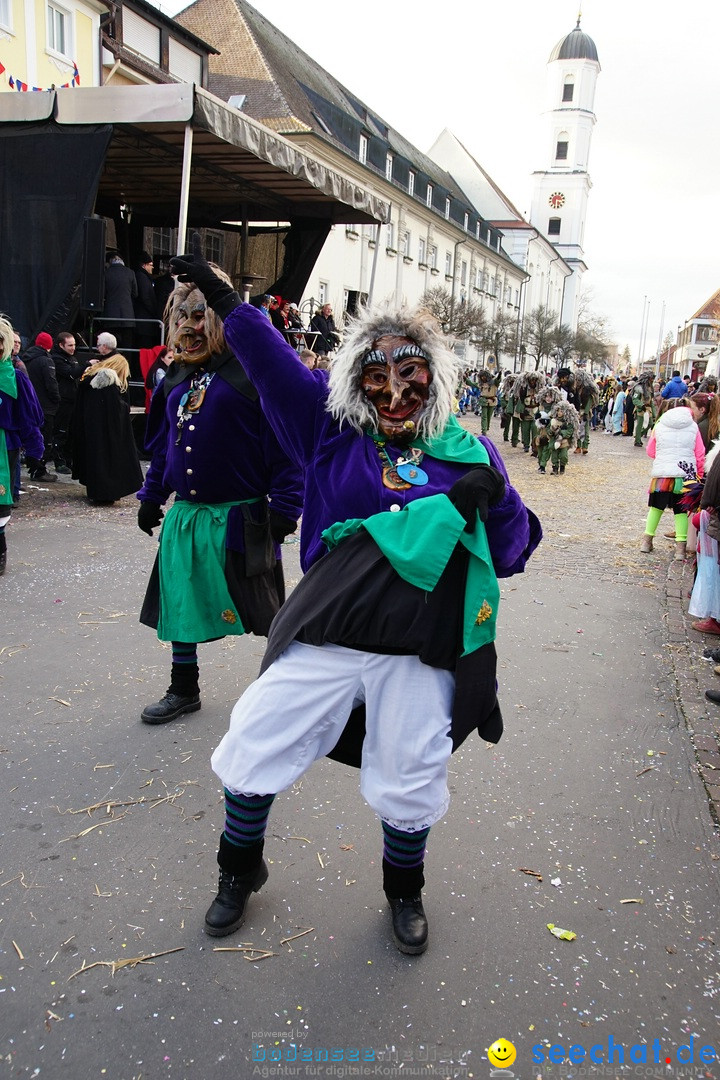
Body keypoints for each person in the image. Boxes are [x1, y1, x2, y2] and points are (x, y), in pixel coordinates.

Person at [168, 238, 541, 954]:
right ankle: (238, 870)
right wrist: (227, 304)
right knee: (253, 743)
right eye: (378, 373)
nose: (396, 389)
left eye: (412, 372)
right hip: (331, 632)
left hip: (419, 645)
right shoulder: (329, 433)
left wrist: (493, 502)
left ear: (436, 377)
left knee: (410, 776)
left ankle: (404, 892)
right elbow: (274, 369)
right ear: (354, 378)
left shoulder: (468, 451)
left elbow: (513, 552)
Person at [135, 258, 303, 726]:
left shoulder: (250, 375)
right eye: (181, 317)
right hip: (187, 517)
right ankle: (183, 689)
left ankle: (288, 690)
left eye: (198, 316)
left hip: (241, 518)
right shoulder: (175, 379)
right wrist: (152, 495)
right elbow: (165, 447)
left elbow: (286, 450)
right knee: (182, 605)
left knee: (266, 612)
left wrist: (286, 507)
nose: (188, 327)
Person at [0, 316, 45, 573]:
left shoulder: (15, 377)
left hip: (5, 445)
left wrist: (35, 448)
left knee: (0, 498)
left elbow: (30, 416)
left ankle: (0, 549)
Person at [72, 352, 143, 506]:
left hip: (92, 430)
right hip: (106, 432)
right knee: (106, 462)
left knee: (97, 461)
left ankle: (98, 492)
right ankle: (105, 493)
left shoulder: (91, 378)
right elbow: (116, 409)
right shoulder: (109, 383)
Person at [640, 400, 705, 560]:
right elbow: (700, 454)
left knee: (656, 508)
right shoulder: (693, 426)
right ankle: (680, 550)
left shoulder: (660, 425)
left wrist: (663, 458)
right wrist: (700, 474)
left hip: (662, 474)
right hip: (685, 475)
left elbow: (650, 450)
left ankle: (646, 542)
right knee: (681, 512)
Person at [22, 332, 59, 482]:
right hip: (45, 406)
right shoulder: (46, 361)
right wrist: (56, 399)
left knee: (32, 438)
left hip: (30, 404)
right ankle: (39, 470)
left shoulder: (25, 359)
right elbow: (51, 384)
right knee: (44, 440)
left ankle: (34, 467)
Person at [50, 332, 82, 473]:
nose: (73, 348)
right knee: (61, 431)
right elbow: (71, 373)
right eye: (70, 345)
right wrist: (87, 365)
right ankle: (59, 461)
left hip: (72, 400)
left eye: (74, 345)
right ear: (61, 345)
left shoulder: (72, 358)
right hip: (63, 401)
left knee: (71, 432)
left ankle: (68, 460)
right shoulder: (57, 359)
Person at [103, 253, 137, 348]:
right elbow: (135, 293)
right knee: (127, 345)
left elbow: (103, 293)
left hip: (110, 315)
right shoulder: (130, 272)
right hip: (128, 315)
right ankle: (127, 362)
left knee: (110, 345)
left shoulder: (106, 273)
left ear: (110, 262)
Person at [134, 251, 160, 349]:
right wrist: (154, 311)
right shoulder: (142, 277)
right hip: (144, 322)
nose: (152, 267)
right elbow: (146, 297)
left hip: (145, 321)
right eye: (151, 265)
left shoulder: (143, 277)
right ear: (144, 265)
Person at [631, 372, 656, 447]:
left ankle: (638, 435)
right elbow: (635, 399)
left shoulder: (650, 388)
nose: (652, 381)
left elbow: (651, 401)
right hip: (641, 409)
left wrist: (654, 413)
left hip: (649, 409)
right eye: (651, 379)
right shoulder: (639, 388)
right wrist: (641, 405)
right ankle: (637, 440)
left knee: (650, 423)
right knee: (640, 424)